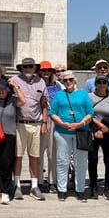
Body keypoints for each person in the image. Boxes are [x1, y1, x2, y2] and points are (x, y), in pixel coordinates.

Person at [49, 71, 94, 202]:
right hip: (63, 132)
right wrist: (61, 123)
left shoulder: (82, 94)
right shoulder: (59, 95)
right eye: (65, 80)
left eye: (70, 80)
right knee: (63, 161)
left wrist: (81, 123)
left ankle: (80, 189)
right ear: (62, 82)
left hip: (81, 131)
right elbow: (53, 112)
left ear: (74, 81)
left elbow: (90, 112)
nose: (68, 82)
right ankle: (62, 190)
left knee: (80, 162)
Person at [11, 57, 49, 201]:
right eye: (25, 67)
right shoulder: (15, 80)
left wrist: (44, 123)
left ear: (34, 68)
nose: (28, 69)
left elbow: (44, 103)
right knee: (18, 156)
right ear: (21, 68)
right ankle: (17, 186)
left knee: (34, 156)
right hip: (19, 123)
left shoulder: (41, 82)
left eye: (30, 67)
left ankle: (34, 186)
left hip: (36, 123)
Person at [0, 78, 25, 204]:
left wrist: (16, 87)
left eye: (4, 89)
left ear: (8, 89)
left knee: (6, 163)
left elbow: (23, 101)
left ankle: (5, 191)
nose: (1, 91)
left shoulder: (12, 99)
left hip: (8, 134)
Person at [88, 75, 109, 200]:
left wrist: (104, 128)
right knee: (93, 159)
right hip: (93, 130)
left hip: (108, 131)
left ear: (107, 85)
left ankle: (108, 187)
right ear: (95, 84)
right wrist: (98, 127)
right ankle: (93, 186)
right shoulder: (90, 97)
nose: (101, 85)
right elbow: (88, 114)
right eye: (99, 82)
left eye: (104, 82)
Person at [38, 60, 62, 193]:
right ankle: (40, 181)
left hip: (54, 119)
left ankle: (53, 181)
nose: (46, 73)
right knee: (39, 152)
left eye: (48, 70)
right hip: (40, 119)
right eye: (43, 70)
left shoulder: (57, 85)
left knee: (53, 153)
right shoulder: (36, 84)